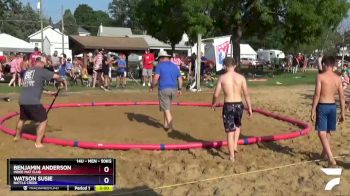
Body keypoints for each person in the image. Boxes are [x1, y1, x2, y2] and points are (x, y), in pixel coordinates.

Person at [14, 57, 62, 148]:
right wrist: (61, 80)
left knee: (22, 119)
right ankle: (38, 143)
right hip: (32, 102)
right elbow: (56, 76)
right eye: (44, 63)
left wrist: (49, 92)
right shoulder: (41, 70)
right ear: (41, 63)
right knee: (43, 119)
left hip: (23, 100)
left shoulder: (29, 71)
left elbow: (33, 85)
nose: (45, 65)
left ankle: (17, 136)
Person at [211, 57, 253, 162]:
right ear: (235, 65)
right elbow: (246, 95)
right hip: (239, 104)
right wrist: (250, 108)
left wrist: (213, 103)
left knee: (230, 131)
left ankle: (231, 156)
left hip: (228, 105)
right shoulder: (241, 77)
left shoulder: (222, 78)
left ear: (225, 66)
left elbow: (216, 94)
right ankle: (234, 146)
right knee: (237, 125)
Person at [311, 56, 345, 167]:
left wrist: (313, 109)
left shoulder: (320, 76)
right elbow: (342, 97)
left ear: (325, 64)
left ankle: (331, 158)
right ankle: (324, 153)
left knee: (321, 133)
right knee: (328, 131)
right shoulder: (338, 78)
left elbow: (317, 94)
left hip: (323, 106)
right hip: (332, 107)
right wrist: (343, 112)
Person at [150, 50, 183, 132]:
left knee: (167, 109)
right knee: (167, 107)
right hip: (174, 89)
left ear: (162, 58)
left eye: (158, 59)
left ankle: (171, 128)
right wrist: (180, 89)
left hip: (164, 89)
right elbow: (180, 78)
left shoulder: (159, 66)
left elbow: (155, 78)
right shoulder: (175, 66)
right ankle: (165, 124)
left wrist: (152, 86)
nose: (158, 61)